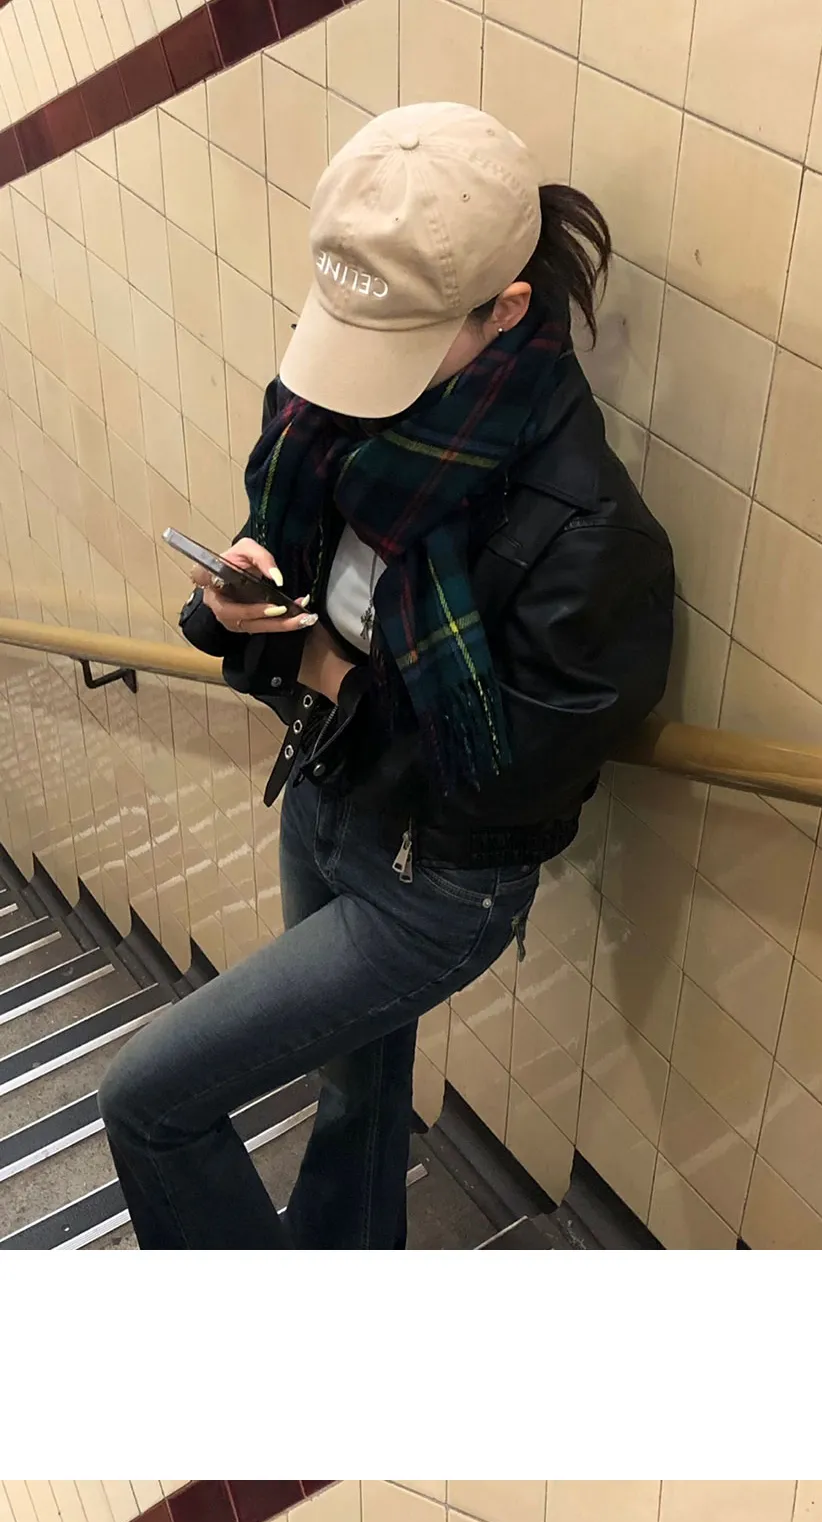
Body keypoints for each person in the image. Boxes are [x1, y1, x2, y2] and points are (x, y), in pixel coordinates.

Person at [96, 98, 675, 1251]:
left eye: (401, 342)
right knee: (357, 1093)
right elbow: (290, 579)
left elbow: (514, 780)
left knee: (150, 1104)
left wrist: (324, 667)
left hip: (436, 879)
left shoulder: (588, 532)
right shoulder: (333, 419)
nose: (360, 381)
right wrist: (234, 609)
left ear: (506, 310)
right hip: (320, 801)